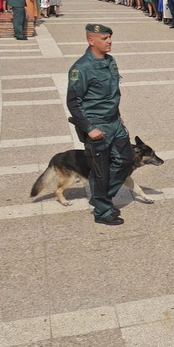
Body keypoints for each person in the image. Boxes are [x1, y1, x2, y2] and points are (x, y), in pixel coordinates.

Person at [66, 24, 133, 226]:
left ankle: (100, 196)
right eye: (104, 38)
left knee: (126, 160)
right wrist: (89, 128)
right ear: (91, 40)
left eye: (110, 37)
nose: (109, 41)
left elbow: (113, 93)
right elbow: (73, 103)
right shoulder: (81, 68)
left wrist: (118, 114)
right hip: (97, 125)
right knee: (100, 170)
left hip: (114, 122)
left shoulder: (110, 62)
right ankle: (102, 211)